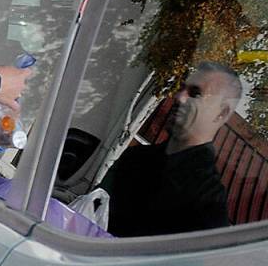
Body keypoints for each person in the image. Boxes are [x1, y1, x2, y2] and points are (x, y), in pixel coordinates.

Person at [101, 61, 241, 236]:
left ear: (222, 113)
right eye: (181, 88)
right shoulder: (135, 158)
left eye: (195, 93)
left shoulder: (206, 201)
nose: (179, 97)